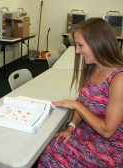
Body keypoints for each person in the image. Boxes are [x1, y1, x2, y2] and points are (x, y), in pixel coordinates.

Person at [38, 18, 123, 167]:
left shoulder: (119, 80)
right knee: (51, 147)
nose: (77, 51)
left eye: (80, 45)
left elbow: (107, 131)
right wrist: (71, 126)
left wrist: (76, 105)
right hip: (87, 133)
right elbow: (84, 99)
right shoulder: (93, 67)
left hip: (109, 146)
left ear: (97, 43)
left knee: (54, 157)